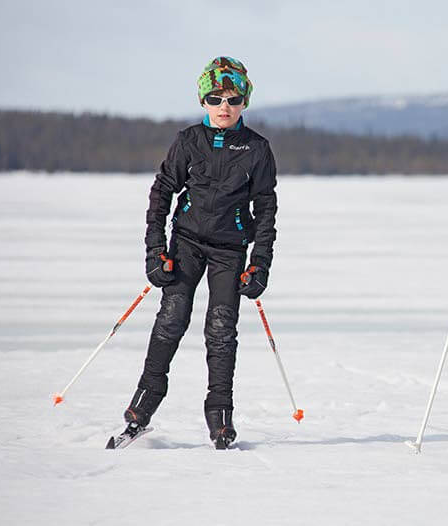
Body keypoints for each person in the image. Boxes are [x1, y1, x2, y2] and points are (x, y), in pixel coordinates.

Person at [116, 56, 278, 449]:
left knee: (221, 331)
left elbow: (266, 209)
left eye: (233, 98)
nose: (224, 106)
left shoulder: (257, 148)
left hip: (230, 251)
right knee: (171, 320)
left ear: (245, 102)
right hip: (185, 244)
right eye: (215, 97)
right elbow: (161, 194)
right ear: (203, 100)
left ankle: (220, 418)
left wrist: (260, 264)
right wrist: (156, 250)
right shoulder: (189, 141)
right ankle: (141, 408)